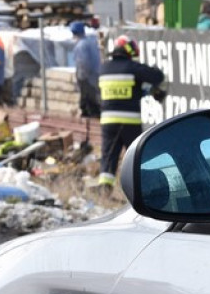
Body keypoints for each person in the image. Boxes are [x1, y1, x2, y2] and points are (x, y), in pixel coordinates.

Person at [97, 35, 165, 192]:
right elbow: (157, 77)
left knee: (108, 156)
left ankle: (104, 190)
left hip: (108, 121)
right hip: (129, 122)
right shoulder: (132, 67)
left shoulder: (103, 68)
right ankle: (144, 190)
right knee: (137, 157)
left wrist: (142, 91)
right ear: (129, 49)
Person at [71, 21, 101, 119]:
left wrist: (81, 77)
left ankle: (90, 117)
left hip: (87, 77)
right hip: (95, 74)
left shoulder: (81, 45)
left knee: (88, 100)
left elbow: (83, 63)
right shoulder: (90, 42)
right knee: (92, 98)